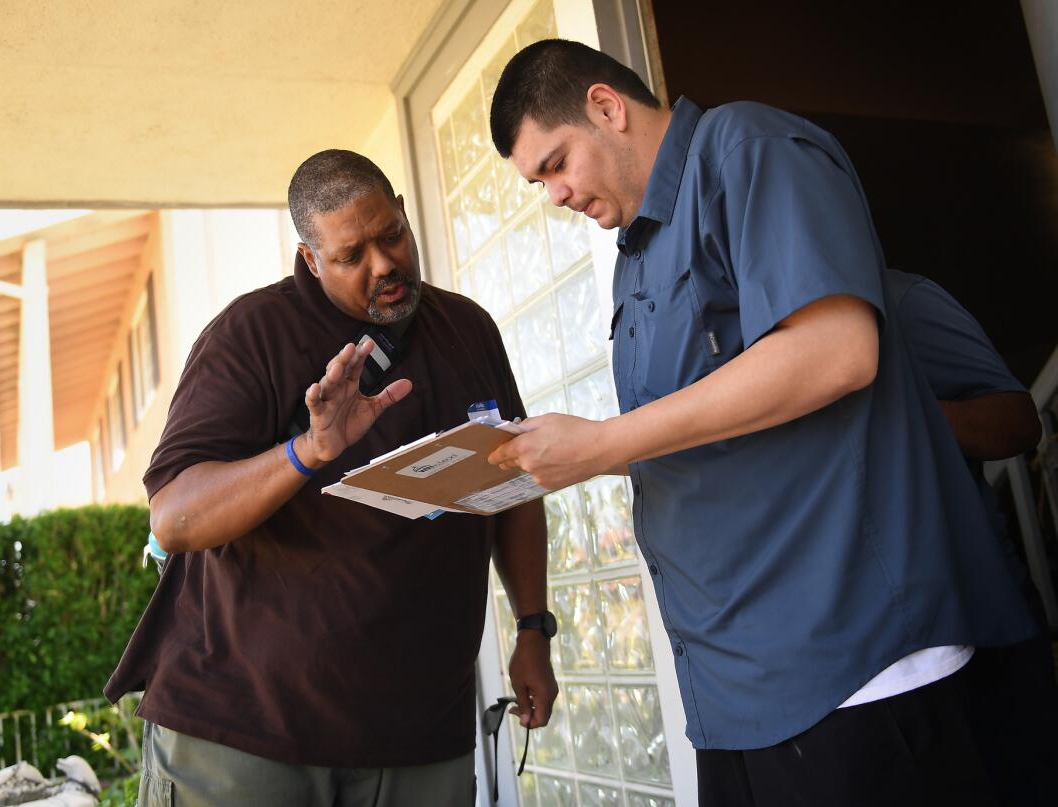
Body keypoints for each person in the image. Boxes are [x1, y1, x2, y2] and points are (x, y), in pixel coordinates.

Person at [486, 39, 1045, 806]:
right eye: (536, 181)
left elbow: (837, 350)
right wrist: (579, 452)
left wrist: (604, 442)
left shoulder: (748, 147)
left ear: (606, 108)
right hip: (734, 689)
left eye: (555, 163)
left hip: (851, 666)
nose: (553, 194)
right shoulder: (635, 256)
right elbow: (705, 430)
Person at [104, 150, 557, 807]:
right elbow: (174, 519)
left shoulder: (468, 330)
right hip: (246, 738)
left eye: (391, 235)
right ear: (311, 259)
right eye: (351, 255)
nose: (384, 264)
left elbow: (513, 484)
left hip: (422, 738)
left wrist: (533, 627)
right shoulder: (250, 336)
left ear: (403, 212)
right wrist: (308, 451)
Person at [887, 268, 1056, 807]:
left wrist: (899, 415)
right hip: (884, 661)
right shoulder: (749, 344)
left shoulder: (904, 302)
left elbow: (1019, 420)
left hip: (984, 621)